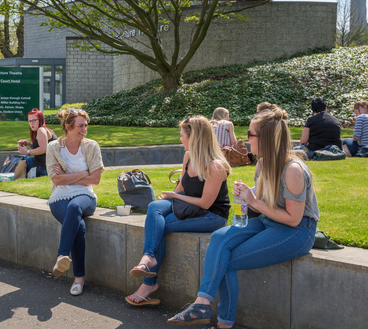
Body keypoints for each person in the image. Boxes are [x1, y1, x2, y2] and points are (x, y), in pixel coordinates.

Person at [167, 107, 319, 328]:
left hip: (296, 232)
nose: (245, 139)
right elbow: (263, 201)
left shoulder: (293, 170)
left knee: (227, 262)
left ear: (265, 138)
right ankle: (202, 303)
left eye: (250, 134)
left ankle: (224, 323)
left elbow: (293, 219)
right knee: (219, 237)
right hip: (270, 221)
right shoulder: (263, 163)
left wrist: (254, 201)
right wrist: (249, 194)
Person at [126, 116, 231, 306]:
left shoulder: (216, 166)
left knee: (162, 227)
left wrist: (175, 198)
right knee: (154, 207)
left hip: (211, 216)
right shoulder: (188, 156)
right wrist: (170, 198)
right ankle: (148, 257)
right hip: (190, 207)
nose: (180, 139)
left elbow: (205, 204)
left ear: (195, 138)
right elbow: (181, 187)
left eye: (182, 136)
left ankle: (148, 283)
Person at [46, 108, 104, 296]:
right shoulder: (53, 147)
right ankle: (79, 279)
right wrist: (84, 173)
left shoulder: (92, 146)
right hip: (59, 197)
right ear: (68, 127)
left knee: (74, 206)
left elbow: (95, 180)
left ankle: (62, 256)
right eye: (80, 126)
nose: (84, 129)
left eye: (86, 125)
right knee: (78, 225)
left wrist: (68, 176)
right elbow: (56, 180)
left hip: (85, 196)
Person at [17, 108, 58, 177]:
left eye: (34, 120)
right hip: (44, 164)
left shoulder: (41, 130)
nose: (31, 123)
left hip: (43, 167)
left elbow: (44, 148)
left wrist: (27, 152)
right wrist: (29, 144)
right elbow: (41, 148)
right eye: (29, 121)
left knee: (19, 159)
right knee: (21, 158)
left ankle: (10, 177)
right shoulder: (46, 129)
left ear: (40, 120)